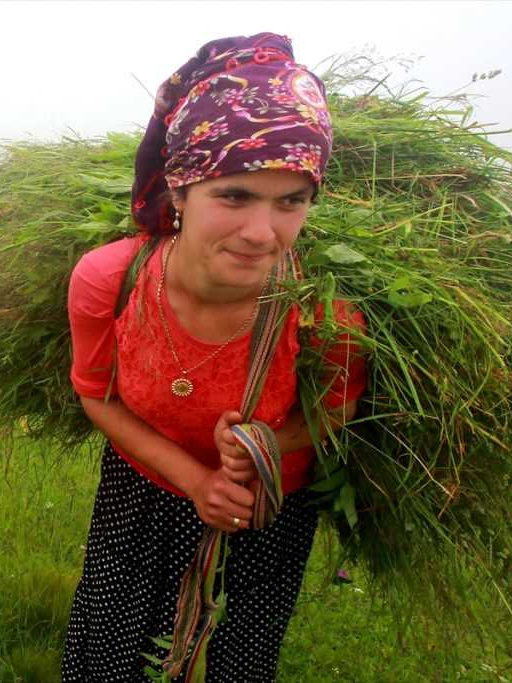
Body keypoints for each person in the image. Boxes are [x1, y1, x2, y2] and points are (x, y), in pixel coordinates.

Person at [62, 33, 367, 682]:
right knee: (110, 647)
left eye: (291, 201)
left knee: (243, 658)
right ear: (180, 192)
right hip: (143, 485)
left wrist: (268, 443)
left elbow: (338, 408)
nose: (263, 233)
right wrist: (196, 479)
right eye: (234, 195)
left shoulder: (323, 314)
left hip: (268, 503)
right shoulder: (108, 281)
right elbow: (97, 394)